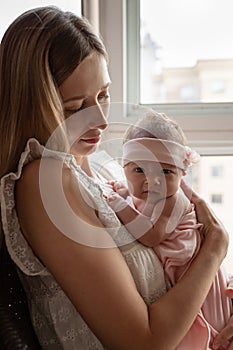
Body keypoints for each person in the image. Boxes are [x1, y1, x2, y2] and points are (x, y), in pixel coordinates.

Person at [0, 6, 232, 350]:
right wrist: (215, 248)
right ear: (36, 103)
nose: (101, 122)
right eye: (75, 107)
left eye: (104, 95)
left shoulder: (103, 168)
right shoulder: (43, 184)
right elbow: (143, 342)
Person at [106, 111, 233, 349]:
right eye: (139, 170)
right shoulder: (143, 194)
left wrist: (117, 202)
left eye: (165, 172)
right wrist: (124, 192)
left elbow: (152, 235)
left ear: (182, 173)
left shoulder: (172, 199)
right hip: (192, 278)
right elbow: (138, 205)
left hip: (204, 284)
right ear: (124, 168)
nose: (153, 181)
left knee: (213, 335)